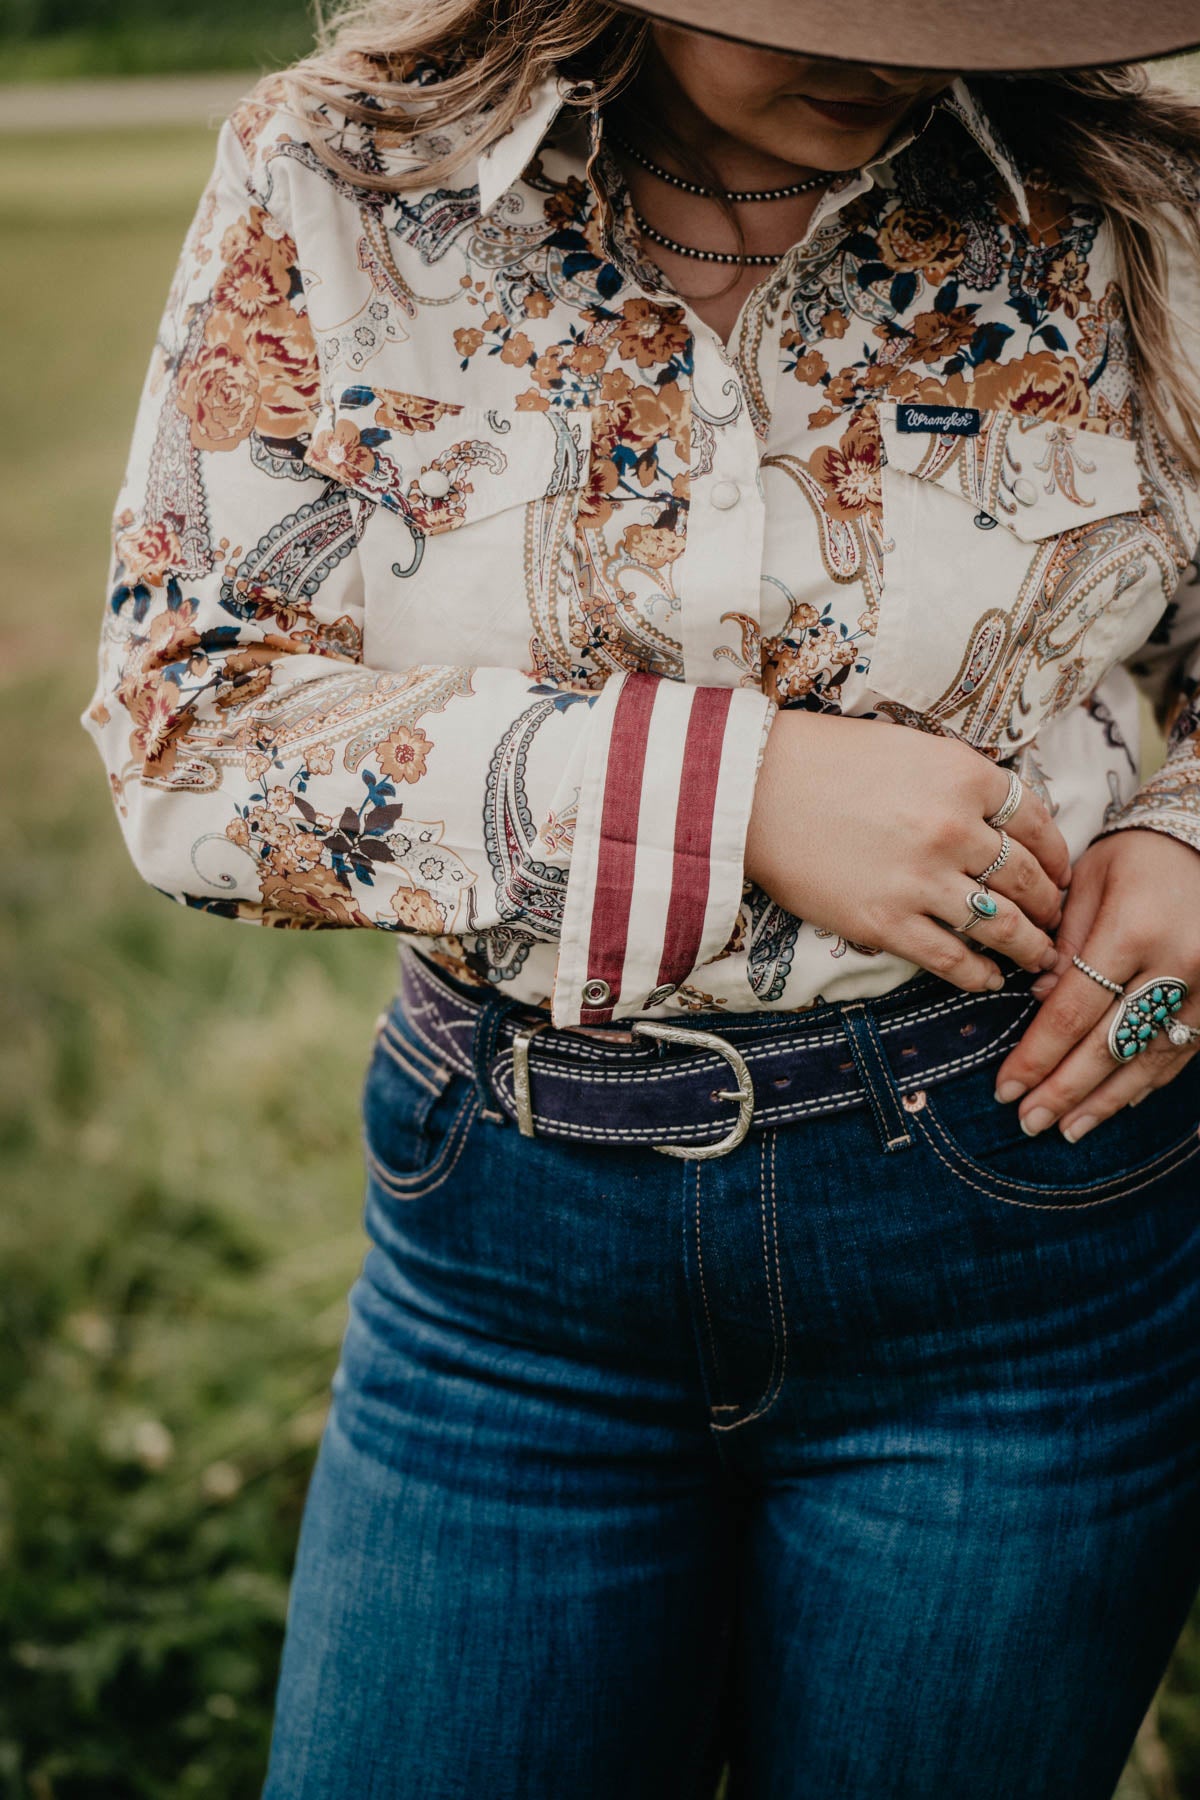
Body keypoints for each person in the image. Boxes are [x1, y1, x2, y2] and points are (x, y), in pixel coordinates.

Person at [79, 0, 1200, 1791]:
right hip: (505, 1280)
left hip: (1023, 1243)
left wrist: (1190, 834)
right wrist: (736, 789)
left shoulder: (1140, 188)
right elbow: (189, 734)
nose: (895, 44)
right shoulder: (346, 174)